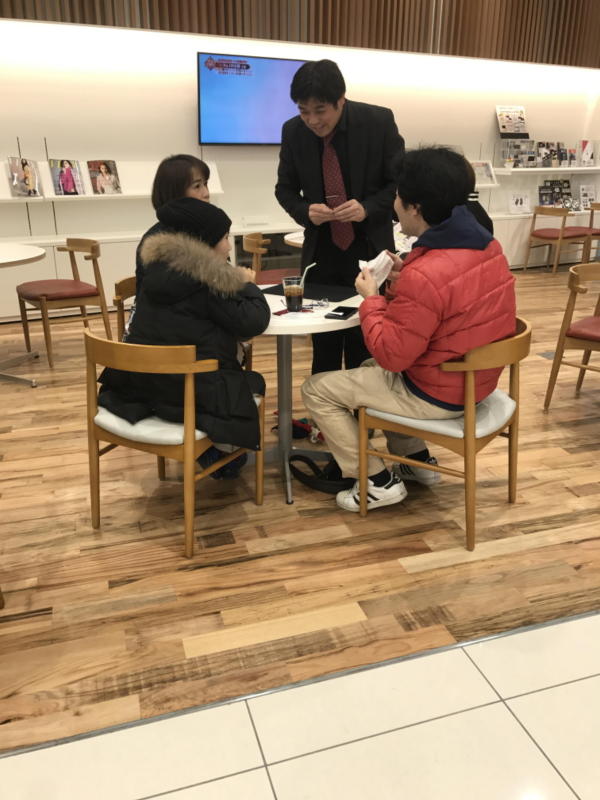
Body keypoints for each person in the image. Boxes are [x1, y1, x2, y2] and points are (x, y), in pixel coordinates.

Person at [301, 146, 516, 512]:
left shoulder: (428, 271)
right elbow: (448, 305)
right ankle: (416, 461)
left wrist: (372, 299)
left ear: (415, 207)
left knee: (317, 389)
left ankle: (376, 481)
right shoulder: (487, 246)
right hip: (475, 382)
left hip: (438, 393)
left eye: (398, 196)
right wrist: (407, 276)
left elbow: (393, 356)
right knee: (368, 370)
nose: (394, 204)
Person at [99, 197, 270, 478]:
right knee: (253, 382)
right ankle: (214, 456)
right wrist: (246, 283)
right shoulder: (206, 281)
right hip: (187, 394)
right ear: (204, 242)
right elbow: (255, 321)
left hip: (140, 388)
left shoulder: (155, 272)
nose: (229, 247)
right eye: (224, 238)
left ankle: (206, 451)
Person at [275, 59, 404, 374]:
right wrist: (305, 211)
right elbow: (284, 189)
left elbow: (399, 183)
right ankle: (326, 404)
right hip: (322, 254)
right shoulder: (293, 131)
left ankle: (362, 403)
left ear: (340, 101)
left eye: (320, 111)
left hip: (370, 252)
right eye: (303, 111)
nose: (312, 120)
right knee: (324, 344)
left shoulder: (378, 122)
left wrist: (367, 208)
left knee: (367, 340)